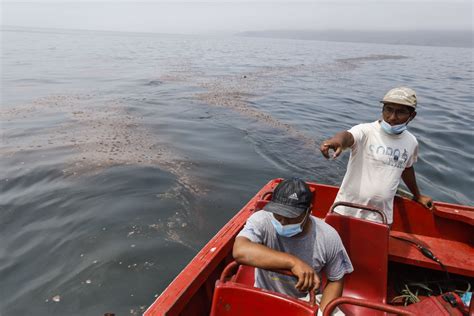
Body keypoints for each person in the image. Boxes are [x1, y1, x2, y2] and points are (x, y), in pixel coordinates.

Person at [233, 178, 353, 314]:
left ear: (308, 211)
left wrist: (321, 312)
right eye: (278, 214)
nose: (283, 221)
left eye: (291, 216)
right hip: (265, 294)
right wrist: (293, 262)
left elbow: (336, 279)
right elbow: (240, 250)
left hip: (308, 300)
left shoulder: (328, 236)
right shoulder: (261, 220)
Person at [320, 87, 433, 224]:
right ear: (382, 109)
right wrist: (336, 141)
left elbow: (407, 168)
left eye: (401, 112)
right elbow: (347, 136)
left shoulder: (411, 142)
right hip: (346, 209)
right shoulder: (366, 131)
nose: (392, 117)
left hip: (381, 216)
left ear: (412, 116)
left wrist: (418, 196)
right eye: (388, 109)